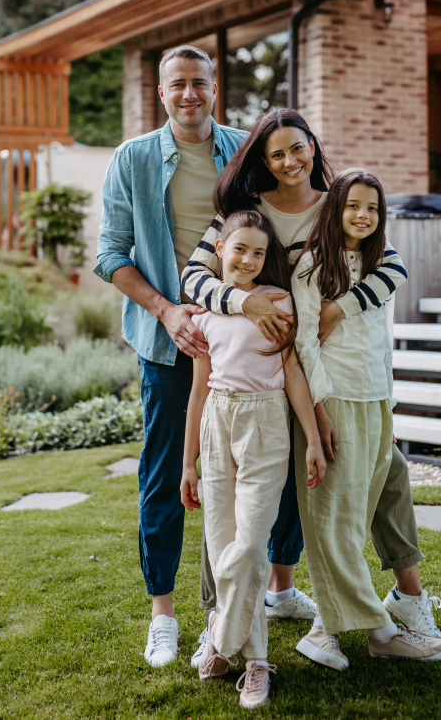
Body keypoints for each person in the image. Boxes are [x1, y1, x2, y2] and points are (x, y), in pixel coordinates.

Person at [183, 109, 441, 658]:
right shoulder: (242, 214)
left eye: (298, 149)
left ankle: (408, 596)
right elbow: (193, 277)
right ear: (263, 159)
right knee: (231, 494)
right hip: (255, 372)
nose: (290, 162)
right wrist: (245, 301)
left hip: (323, 371)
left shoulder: (339, 204)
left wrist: (342, 309)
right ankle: (220, 616)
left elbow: (391, 267)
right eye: (276, 153)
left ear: (313, 148)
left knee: (387, 471)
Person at [94, 45, 249, 667]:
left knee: (253, 466)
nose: (190, 94)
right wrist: (166, 310)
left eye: (200, 83)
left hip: (238, 338)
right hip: (168, 342)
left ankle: (259, 596)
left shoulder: (242, 149)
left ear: (216, 87)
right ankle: (164, 615)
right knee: (164, 476)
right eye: (177, 84)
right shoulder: (132, 159)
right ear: (162, 93)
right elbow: (111, 253)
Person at [180, 210, 325, 708]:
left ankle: (221, 635)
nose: (247, 260)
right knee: (222, 543)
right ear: (218, 249)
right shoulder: (204, 314)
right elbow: (197, 394)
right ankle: (257, 663)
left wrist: (313, 439)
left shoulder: (278, 303)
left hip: (265, 425)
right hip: (217, 423)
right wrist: (187, 464)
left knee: (250, 541)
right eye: (238, 248)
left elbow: (295, 376)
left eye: (258, 253)